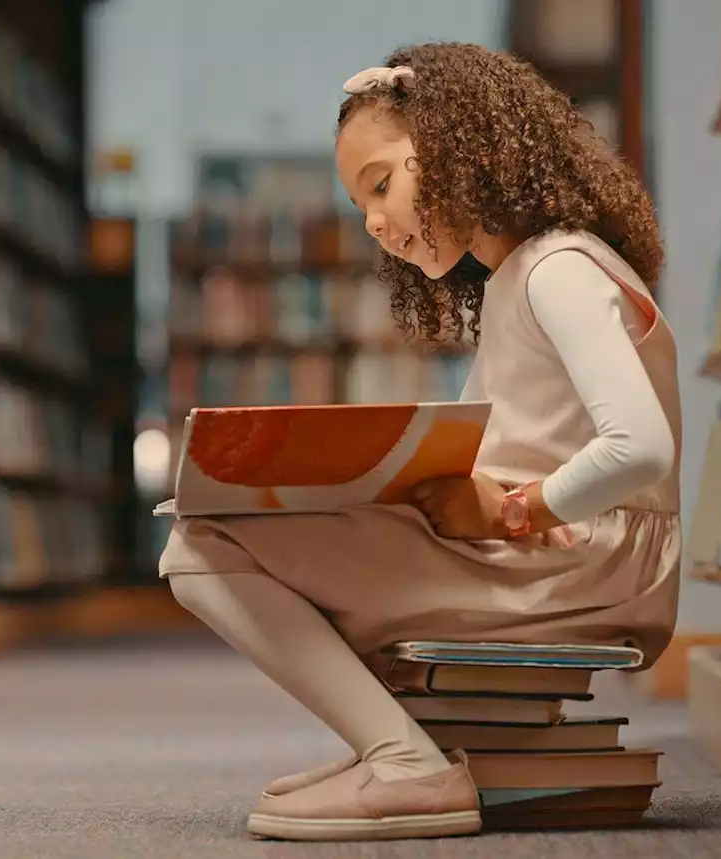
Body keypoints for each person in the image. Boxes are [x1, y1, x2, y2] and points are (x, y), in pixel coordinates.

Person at [161, 42, 683, 843]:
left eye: (383, 185)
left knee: (200, 548)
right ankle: (401, 749)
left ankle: (404, 761)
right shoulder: (524, 274)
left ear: (457, 143)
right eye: (360, 208)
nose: (376, 224)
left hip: (578, 554)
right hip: (557, 541)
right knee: (223, 528)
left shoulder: (558, 270)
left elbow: (642, 447)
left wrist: (515, 509)